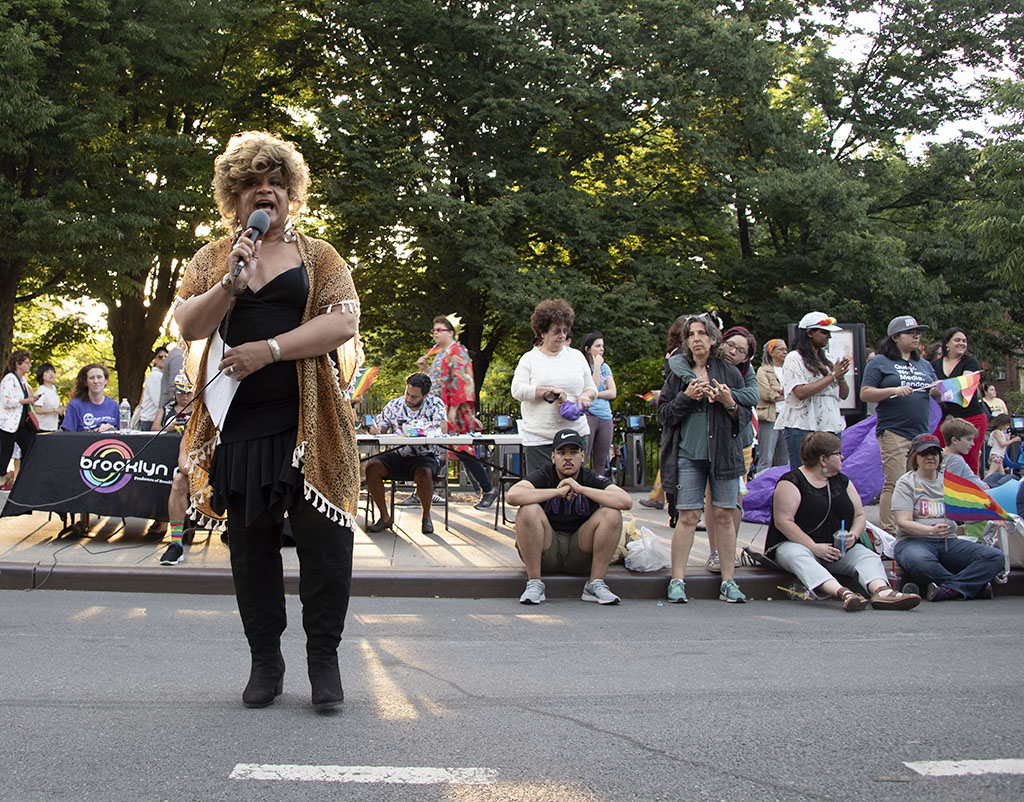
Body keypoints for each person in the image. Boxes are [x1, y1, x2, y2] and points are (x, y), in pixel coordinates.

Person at [175, 131, 361, 710]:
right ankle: (265, 662)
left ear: (291, 193)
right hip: (240, 428)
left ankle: (324, 661)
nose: (265, 192)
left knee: (325, 548)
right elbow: (188, 326)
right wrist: (230, 281)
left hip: (311, 427)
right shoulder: (211, 258)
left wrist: (270, 350)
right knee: (250, 550)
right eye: (253, 184)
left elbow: (343, 324)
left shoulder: (320, 256)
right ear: (233, 197)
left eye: (276, 183)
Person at [765, 431, 920, 611]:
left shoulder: (842, 481)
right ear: (823, 459)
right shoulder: (791, 482)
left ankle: (882, 591)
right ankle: (844, 593)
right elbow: (784, 521)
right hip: (798, 545)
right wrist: (814, 547)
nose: (842, 457)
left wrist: (853, 535)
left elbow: (860, 515)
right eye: (837, 453)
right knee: (797, 556)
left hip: (836, 548)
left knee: (866, 556)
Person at [658, 314, 751, 603]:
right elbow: (663, 416)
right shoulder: (678, 375)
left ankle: (728, 581)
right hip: (687, 455)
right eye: (691, 334)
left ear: (713, 339)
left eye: (701, 333)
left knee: (724, 515)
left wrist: (729, 402)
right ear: (685, 341)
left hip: (724, 455)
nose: (696, 338)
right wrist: (686, 397)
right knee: (686, 516)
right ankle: (677, 581)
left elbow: (744, 419)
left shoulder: (730, 373)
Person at [506, 429, 632, 605]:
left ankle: (595, 584)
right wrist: (556, 492)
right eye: (562, 453)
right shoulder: (543, 474)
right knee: (527, 510)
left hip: (580, 551)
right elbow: (512, 496)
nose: (567, 458)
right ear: (553, 457)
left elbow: (625, 501)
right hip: (547, 550)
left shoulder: (590, 477)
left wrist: (580, 489)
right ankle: (534, 583)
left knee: (612, 513)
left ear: (582, 456)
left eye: (573, 452)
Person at [892, 434, 1004, 601]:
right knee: (920, 561)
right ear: (915, 457)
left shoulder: (951, 482)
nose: (930, 457)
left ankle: (949, 590)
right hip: (913, 541)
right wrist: (931, 531)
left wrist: (989, 514)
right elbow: (903, 523)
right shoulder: (906, 483)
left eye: (934, 453)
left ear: (940, 457)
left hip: (950, 542)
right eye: (925, 453)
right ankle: (973, 587)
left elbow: (967, 518)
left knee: (995, 556)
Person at [859, 315, 940, 535]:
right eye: (911, 333)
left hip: (921, 433)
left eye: (918, 333)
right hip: (894, 430)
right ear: (895, 337)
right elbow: (865, 394)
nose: (916, 336)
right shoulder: (879, 362)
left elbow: (936, 393)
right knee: (895, 481)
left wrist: (937, 392)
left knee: (918, 482)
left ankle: (913, 527)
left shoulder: (924, 365)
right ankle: (889, 532)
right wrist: (893, 390)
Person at [417, 316, 497, 510]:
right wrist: (425, 369)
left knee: (461, 450)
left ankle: (487, 489)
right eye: (433, 330)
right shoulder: (440, 354)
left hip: (456, 412)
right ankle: (424, 490)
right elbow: (437, 384)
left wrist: (451, 411)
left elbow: (463, 382)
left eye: (439, 329)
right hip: (441, 410)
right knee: (440, 450)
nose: (435, 332)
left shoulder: (458, 352)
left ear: (450, 332)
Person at [511, 299, 596, 473]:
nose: (563, 336)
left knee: (573, 491)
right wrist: (547, 391)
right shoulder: (529, 359)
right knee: (542, 492)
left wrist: (585, 397)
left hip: (575, 436)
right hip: (540, 439)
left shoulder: (577, 357)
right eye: (557, 331)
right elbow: (517, 390)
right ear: (542, 332)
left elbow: (591, 388)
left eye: (565, 331)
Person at [703, 325, 759, 573]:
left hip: (740, 439)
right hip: (710, 438)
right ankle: (715, 551)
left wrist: (727, 396)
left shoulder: (747, 372)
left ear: (747, 357)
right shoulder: (708, 362)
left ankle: (730, 549)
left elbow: (753, 396)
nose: (733, 352)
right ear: (721, 343)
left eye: (740, 351)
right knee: (711, 497)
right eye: (730, 345)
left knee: (734, 496)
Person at [364, 372, 447, 535]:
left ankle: (426, 517)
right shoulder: (395, 405)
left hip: (425, 455)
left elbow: (442, 427)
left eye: (414, 397)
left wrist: (417, 430)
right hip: (398, 454)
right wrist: (375, 429)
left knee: (424, 472)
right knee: (372, 467)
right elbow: (382, 426)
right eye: (407, 394)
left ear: (425, 395)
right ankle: (385, 517)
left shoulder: (435, 404)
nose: (409, 399)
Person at [775, 312, 850, 469]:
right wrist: (833, 376)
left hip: (830, 424)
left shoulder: (827, 358)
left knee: (831, 472)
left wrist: (840, 376)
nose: (828, 337)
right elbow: (800, 392)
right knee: (804, 473)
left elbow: (844, 394)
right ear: (809, 333)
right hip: (803, 426)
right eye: (824, 332)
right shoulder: (794, 358)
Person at [931, 327, 986, 474]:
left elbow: (964, 385)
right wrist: (933, 392)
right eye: (957, 340)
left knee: (970, 460)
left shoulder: (970, 362)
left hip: (971, 417)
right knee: (937, 454)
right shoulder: (935, 365)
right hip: (945, 420)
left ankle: (972, 493)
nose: (962, 343)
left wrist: (940, 389)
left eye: (964, 341)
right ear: (947, 344)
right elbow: (930, 389)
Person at [157, 374, 196, 565]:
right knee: (179, 480)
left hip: (227, 471)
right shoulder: (191, 422)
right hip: (201, 474)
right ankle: (176, 544)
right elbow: (183, 462)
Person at [1, 349, 41, 489]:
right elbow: (6, 401)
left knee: (30, 447)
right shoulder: (9, 379)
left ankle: (25, 480)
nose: (30, 365)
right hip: (9, 423)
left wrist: (32, 399)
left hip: (22, 423)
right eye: (27, 363)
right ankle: (2, 480)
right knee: (5, 452)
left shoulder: (23, 380)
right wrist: (25, 400)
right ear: (18, 364)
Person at [580, 332, 617, 474]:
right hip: (589, 414)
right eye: (598, 346)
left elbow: (612, 392)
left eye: (602, 346)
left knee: (601, 459)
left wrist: (594, 396)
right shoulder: (583, 368)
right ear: (588, 349)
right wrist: (596, 366)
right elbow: (592, 387)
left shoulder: (605, 367)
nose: (601, 349)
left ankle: (598, 492)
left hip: (605, 416)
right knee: (584, 455)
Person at [755, 338, 789, 474]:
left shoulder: (789, 369)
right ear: (771, 352)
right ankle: (761, 488)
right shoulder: (763, 371)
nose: (785, 352)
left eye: (786, 349)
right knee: (766, 457)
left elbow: (798, 390)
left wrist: (779, 390)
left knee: (785, 458)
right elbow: (766, 394)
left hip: (787, 417)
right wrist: (786, 393)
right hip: (770, 416)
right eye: (781, 349)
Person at [62, 364, 120, 432]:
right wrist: (96, 431)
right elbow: (68, 436)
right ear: (86, 382)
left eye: (99, 377)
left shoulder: (115, 406)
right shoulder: (75, 405)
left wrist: (111, 430)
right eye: (91, 378)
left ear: (106, 381)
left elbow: (123, 433)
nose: (96, 381)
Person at [136, 345, 168, 430]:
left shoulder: (162, 376)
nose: (164, 359)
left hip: (156, 419)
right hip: (151, 420)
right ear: (155, 360)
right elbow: (158, 401)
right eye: (160, 357)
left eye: (166, 356)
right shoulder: (154, 376)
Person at [33, 363, 64, 432]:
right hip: (43, 427)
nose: (51, 374)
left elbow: (54, 403)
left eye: (52, 372)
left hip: (53, 427)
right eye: (47, 372)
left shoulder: (53, 388)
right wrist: (54, 410)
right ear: (42, 375)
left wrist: (61, 408)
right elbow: (37, 409)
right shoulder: (42, 390)